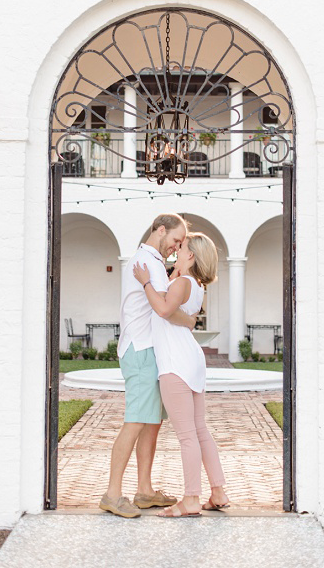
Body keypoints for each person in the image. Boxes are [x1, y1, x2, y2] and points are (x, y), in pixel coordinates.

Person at [99, 213, 195, 518]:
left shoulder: (152, 262)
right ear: (161, 230)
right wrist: (190, 320)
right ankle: (113, 494)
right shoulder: (146, 261)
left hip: (150, 351)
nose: (176, 247)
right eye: (176, 240)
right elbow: (166, 308)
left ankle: (144, 491)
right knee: (136, 421)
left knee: (151, 422)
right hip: (139, 351)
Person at [133, 231, 230, 517]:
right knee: (199, 431)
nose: (178, 249)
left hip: (175, 364)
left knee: (187, 435)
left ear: (190, 255)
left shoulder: (182, 283)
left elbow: (163, 309)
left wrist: (146, 283)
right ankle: (218, 491)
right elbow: (178, 316)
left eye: (183, 247)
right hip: (190, 360)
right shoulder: (194, 284)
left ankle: (191, 499)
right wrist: (172, 276)